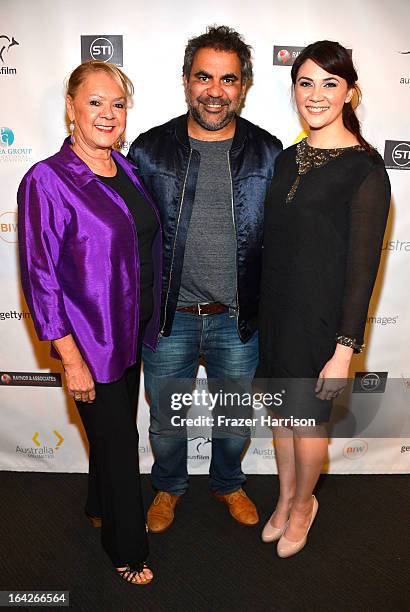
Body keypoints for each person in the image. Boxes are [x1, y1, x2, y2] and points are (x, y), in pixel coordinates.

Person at [128, 25, 282, 532]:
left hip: (237, 322)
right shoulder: (149, 151)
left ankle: (227, 483)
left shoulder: (268, 152)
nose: (215, 91)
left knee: (235, 422)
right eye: (204, 77)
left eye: (228, 80)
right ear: (186, 81)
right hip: (169, 321)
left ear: (244, 85)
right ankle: (168, 489)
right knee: (166, 425)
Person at [17, 60, 162, 584]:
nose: (108, 113)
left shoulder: (125, 171)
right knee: (122, 449)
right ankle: (127, 548)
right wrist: (70, 357)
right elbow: (40, 276)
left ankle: (96, 505)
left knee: (115, 434)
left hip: (132, 332)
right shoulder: (47, 180)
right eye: (95, 102)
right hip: (91, 344)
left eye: (118, 103)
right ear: (72, 109)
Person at [256, 40, 390, 557]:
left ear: (350, 92)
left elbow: (363, 270)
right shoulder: (289, 159)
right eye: (305, 82)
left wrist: (343, 350)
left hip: (322, 324)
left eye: (329, 83)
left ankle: (307, 504)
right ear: (294, 90)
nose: (315, 94)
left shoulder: (365, 170)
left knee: (307, 425)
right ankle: (287, 496)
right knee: (283, 420)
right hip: (279, 313)